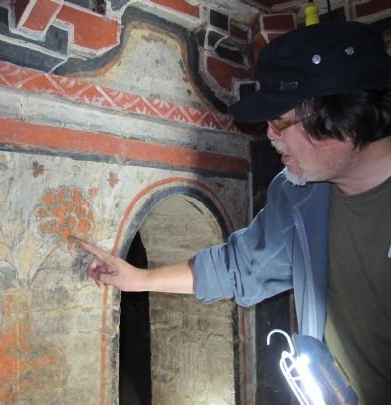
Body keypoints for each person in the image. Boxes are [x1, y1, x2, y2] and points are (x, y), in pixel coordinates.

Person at [78, 21, 391, 404]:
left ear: (343, 117)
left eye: (280, 121)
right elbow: (240, 266)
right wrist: (139, 279)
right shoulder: (299, 195)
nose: (271, 135)